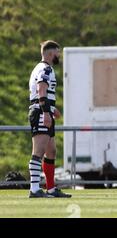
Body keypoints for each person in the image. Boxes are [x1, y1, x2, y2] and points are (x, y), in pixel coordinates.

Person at [28, 40, 71, 198]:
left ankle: (51, 189)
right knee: (38, 151)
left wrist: (52, 109)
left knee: (51, 151)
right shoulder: (45, 69)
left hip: (44, 110)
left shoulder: (46, 68)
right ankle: (34, 189)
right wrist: (46, 113)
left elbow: (42, 92)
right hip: (40, 112)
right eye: (57, 53)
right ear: (51, 53)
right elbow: (41, 89)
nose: (58, 55)